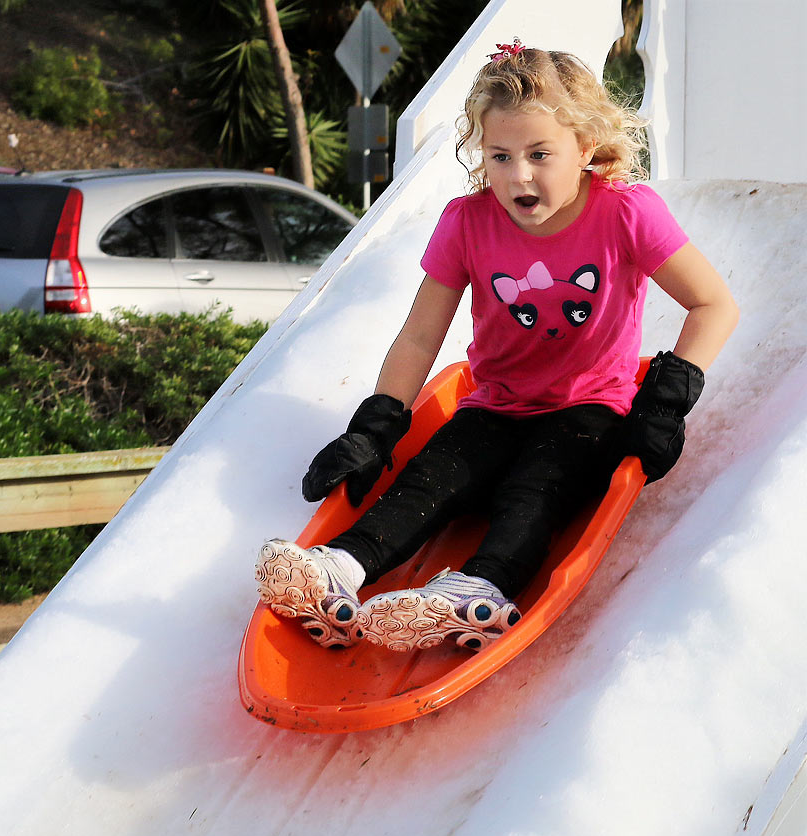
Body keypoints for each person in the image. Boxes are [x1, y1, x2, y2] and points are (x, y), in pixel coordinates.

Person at [255, 41, 738, 654]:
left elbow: (713, 304)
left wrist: (665, 403)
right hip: (497, 405)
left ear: (585, 146)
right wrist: (376, 428)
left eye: (540, 154)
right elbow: (420, 335)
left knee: (536, 487)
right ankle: (340, 569)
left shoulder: (626, 212)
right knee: (431, 476)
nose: (518, 176)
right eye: (500, 156)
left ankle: (480, 591)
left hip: (590, 409)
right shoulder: (468, 221)